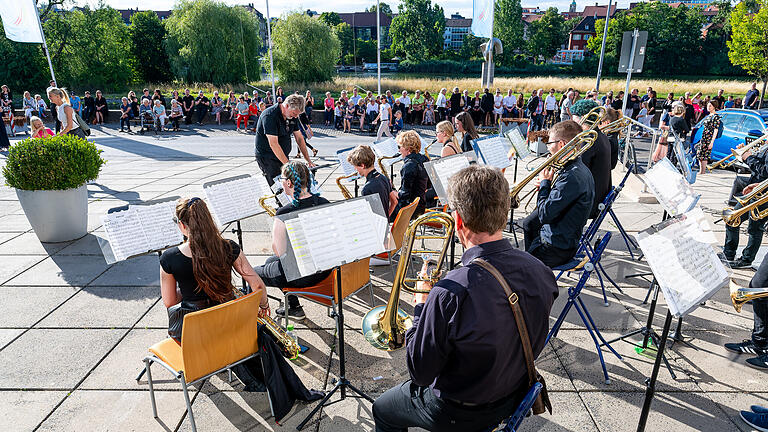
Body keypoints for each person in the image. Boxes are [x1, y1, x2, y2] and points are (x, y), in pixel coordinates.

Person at [372, 165, 558, 432]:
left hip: (459, 410)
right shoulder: (540, 270)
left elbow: (420, 373)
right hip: (514, 393)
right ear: (504, 215)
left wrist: (420, 308)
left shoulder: (449, 293)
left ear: (458, 221)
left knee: (382, 409)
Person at [160, 197, 270, 341]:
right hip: (230, 325)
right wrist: (264, 305)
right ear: (208, 219)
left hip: (196, 336)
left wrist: (189, 289)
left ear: (181, 225)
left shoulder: (169, 258)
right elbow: (257, 285)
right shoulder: (228, 246)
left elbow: (170, 301)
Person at [254, 162, 330, 319]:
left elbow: (279, 252)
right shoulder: (324, 202)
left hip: (302, 274)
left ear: (288, 183)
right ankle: (294, 307)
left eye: (282, 178)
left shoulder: (284, 212)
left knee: (251, 273)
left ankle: (256, 318)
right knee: (270, 261)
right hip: (325, 270)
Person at [521, 120, 594, 268]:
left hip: (556, 249)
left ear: (561, 144)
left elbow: (544, 214)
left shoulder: (571, 176)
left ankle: (533, 270)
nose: (548, 146)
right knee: (528, 223)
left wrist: (544, 185)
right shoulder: (577, 167)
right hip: (564, 239)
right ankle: (532, 267)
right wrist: (546, 186)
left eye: (550, 142)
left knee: (511, 267)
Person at [254, 94, 316, 186]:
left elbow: (299, 138)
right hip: (267, 158)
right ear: (286, 106)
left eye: (297, 115)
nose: (295, 117)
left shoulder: (292, 116)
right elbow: (274, 144)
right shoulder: (269, 116)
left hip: (282, 155)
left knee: (288, 185)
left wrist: (308, 160)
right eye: (294, 113)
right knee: (277, 187)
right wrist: (289, 166)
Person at [570, 99, 612, 219]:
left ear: (583, 117)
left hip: (589, 202)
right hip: (597, 196)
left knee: (543, 214)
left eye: (574, 119)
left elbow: (577, 174)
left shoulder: (589, 140)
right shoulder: (601, 136)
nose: (573, 122)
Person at [347, 145, 397, 216]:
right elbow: (394, 202)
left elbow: (369, 215)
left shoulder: (367, 189)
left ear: (362, 165)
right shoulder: (384, 178)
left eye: (355, 166)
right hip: (384, 224)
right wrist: (386, 217)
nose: (355, 169)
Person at [391, 130, 429, 221]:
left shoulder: (409, 165)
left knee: (383, 211)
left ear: (407, 149)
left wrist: (393, 191)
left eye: (399, 147)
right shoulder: (424, 158)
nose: (399, 150)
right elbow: (428, 185)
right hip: (421, 205)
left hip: (410, 209)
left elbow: (405, 195)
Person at [696, 100, 722, 174]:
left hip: (709, 138)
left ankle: (702, 171)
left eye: (710, 106)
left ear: (714, 106)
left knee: (704, 155)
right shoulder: (709, 115)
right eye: (708, 105)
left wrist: (712, 142)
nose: (708, 107)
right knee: (700, 154)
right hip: (704, 137)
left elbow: (715, 130)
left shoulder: (716, 117)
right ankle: (701, 170)